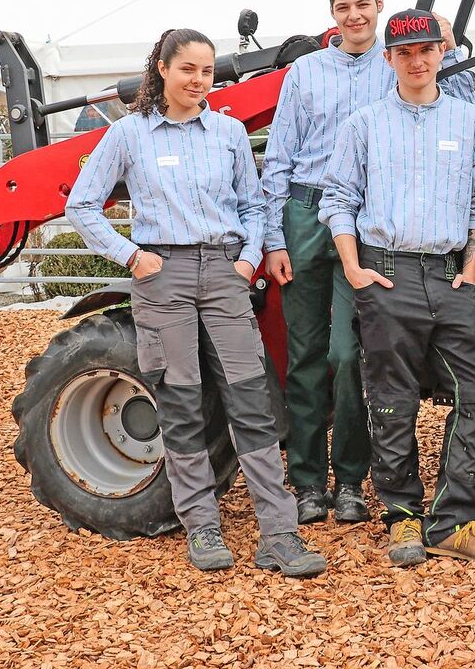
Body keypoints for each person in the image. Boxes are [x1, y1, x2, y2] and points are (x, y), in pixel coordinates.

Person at [67, 28, 326, 577]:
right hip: (163, 276)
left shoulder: (229, 133)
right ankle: (202, 526)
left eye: (207, 71)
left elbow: (253, 205)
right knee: (182, 402)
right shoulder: (129, 134)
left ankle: (279, 534)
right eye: (187, 69)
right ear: (161, 68)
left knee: (251, 400)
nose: (199, 80)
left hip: (225, 273)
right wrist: (132, 257)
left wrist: (247, 260)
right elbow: (82, 205)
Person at [261, 0, 475, 527]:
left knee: (348, 354)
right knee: (305, 353)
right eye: (343, 7)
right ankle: (308, 481)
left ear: (379, 6)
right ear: (332, 14)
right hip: (307, 212)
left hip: (366, 220)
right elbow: (278, 158)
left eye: (363, 4)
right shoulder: (306, 72)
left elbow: (459, 103)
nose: (354, 15)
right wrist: (274, 238)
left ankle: (352, 478)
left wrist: (449, 44)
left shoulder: (400, 60)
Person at [319, 8, 475, 569]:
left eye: (426, 50)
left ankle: (454, 521)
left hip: (450, 274)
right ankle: (402, 515)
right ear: (388, 59)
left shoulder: (468, 121)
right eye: (404, 53)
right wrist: (354, 269)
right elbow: (339, 201)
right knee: (392, 399)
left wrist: (471, 266)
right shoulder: (364, 124)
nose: (417, 61)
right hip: (386, 271)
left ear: (441, 53)